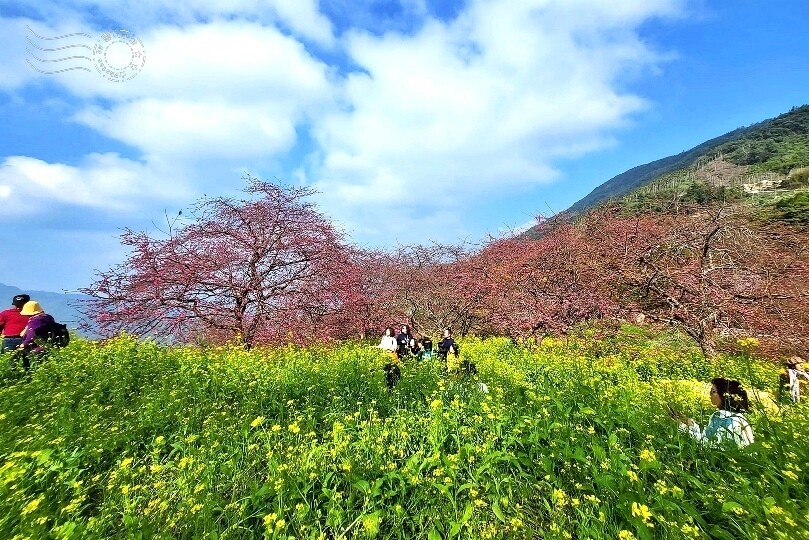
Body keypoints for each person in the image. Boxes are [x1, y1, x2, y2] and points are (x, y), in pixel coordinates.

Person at [672, 378, 754, 448]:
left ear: (724, 396)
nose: (710, 394)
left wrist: (681, 427)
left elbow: (709, 445)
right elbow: (707, 435)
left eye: (713, 392)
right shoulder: (721, 416)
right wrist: (690, 424)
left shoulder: (732, 422)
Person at [17, 301, 56, 370]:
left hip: (36, 348)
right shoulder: (48, 317)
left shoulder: (36, 320)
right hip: (48, 345)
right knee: (45, 367)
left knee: (34, 368)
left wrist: (24, 344)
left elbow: (31, 334)